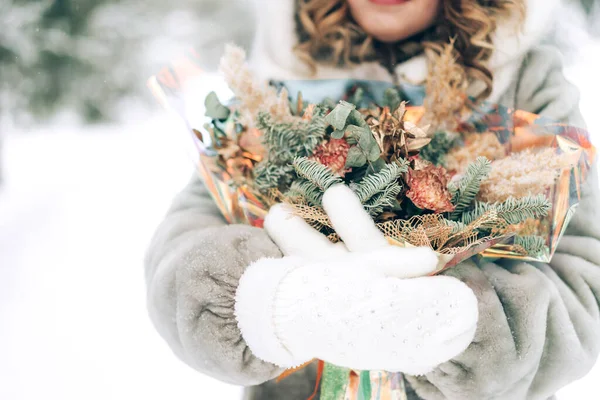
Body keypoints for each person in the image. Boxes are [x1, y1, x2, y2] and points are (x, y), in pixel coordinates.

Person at [144, 0, 600, 399]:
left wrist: (459, 324)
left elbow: (584, 288)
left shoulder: (525, 81)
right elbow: (181, 250)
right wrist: (270, 300)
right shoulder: (277, 83)